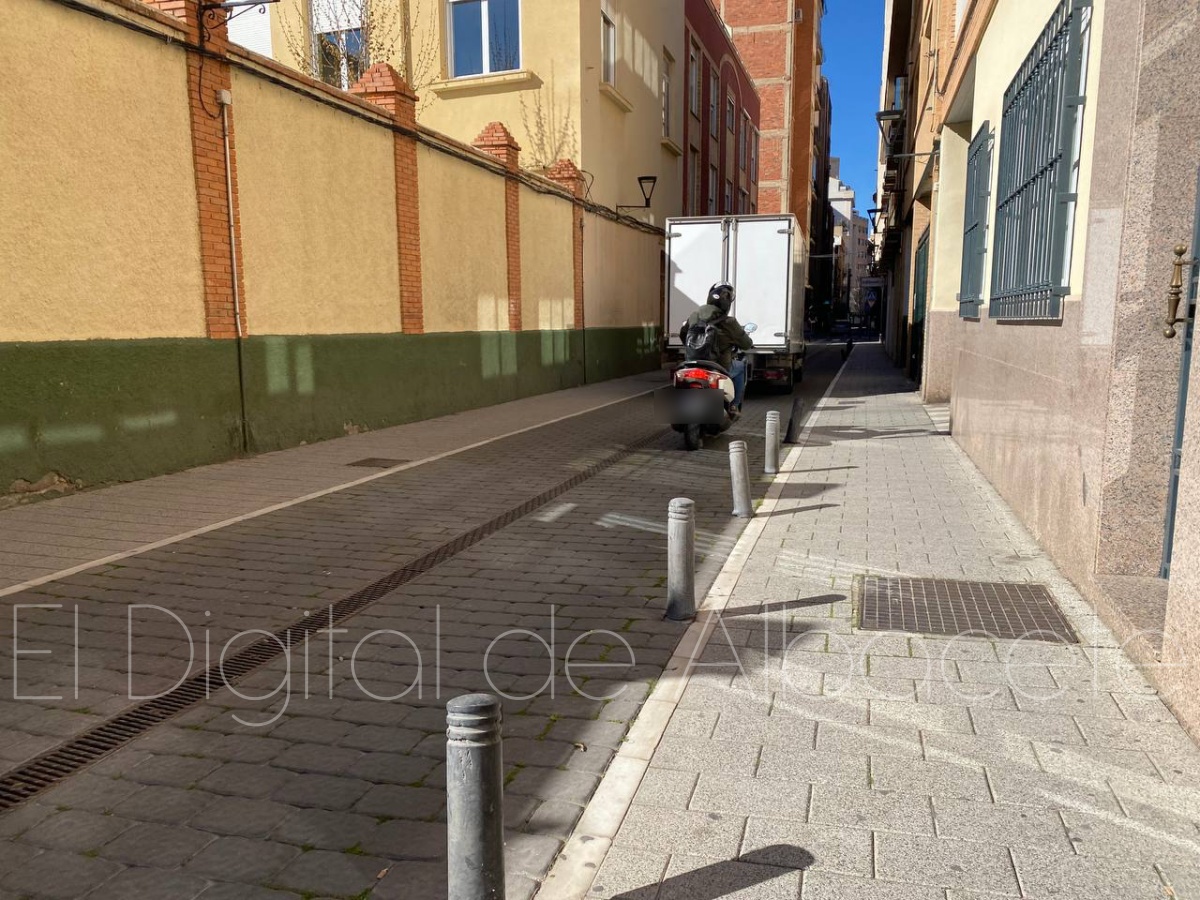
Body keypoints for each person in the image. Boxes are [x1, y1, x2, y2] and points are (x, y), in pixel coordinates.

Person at [679, 282, 754, 415]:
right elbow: (746, 344)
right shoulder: (729, 322)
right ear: (727, 303)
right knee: (741, 366)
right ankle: (734, 406)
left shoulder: (694, 316)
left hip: (692, 363)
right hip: (719, 366)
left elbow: (683, 334)